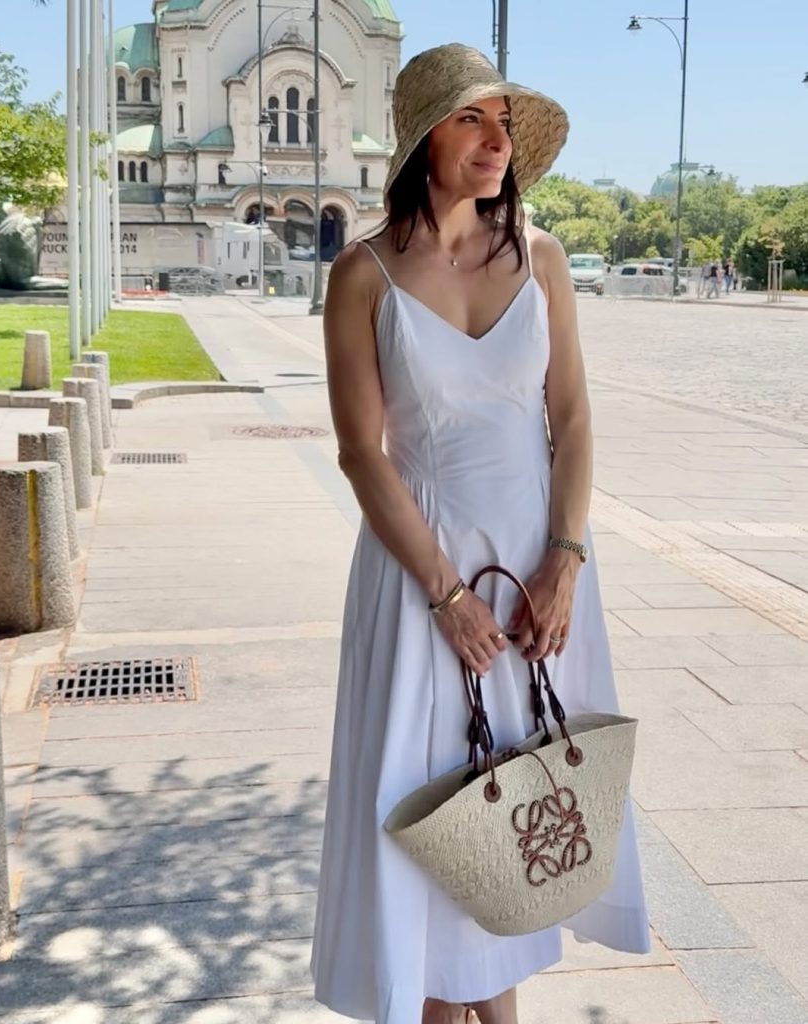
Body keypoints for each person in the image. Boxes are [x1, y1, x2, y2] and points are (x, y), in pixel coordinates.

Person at [311, 43, 650, 1024]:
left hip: (533, 578)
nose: (498, 141)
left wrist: (567, 561)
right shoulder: (362, 274)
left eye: (505, 121)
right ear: (424, 140)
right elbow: (361, 454)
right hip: (420, 581)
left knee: (509, 811)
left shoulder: (539, 256)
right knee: (423, 807)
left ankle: (488, 1007)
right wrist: (446, 594)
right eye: (473, 119)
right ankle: (438, 1004)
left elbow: (575, 419)